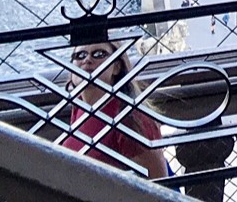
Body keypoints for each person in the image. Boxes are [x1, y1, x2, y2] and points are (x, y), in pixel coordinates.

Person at [58, 21, 170, 179]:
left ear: (116, 67)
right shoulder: (79, 105)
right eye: (80, 55)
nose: (87, 60)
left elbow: (157, 183)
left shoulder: (131, 118)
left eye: (99, 54)